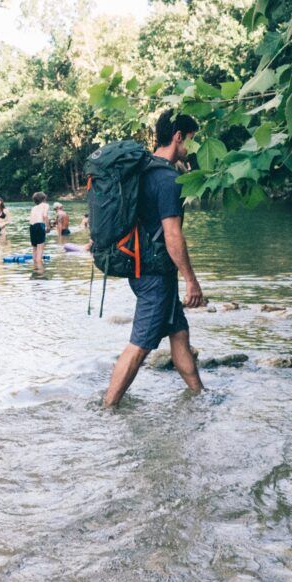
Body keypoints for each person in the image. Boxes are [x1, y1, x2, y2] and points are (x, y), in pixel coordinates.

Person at [104, 111, 205, 407]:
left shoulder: (144, 169)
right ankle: (107, 409)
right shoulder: (167, 179)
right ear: (178, 137)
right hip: (154, 275)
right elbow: (172, 235)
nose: (193, 147)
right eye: (191, 140)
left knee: (179, 334)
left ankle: (200, 397)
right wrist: (191, 281)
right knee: (140, 346)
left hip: (145, 267)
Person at [29, 192, 49, 263]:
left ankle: (35, 266)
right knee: (40, 249)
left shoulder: (33, 208)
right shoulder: (45, 205)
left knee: (34, 248)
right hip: (40, 225)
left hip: (32, 226)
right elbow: (45, 216)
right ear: (44, 199)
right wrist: (48, 226)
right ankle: (40, 268)